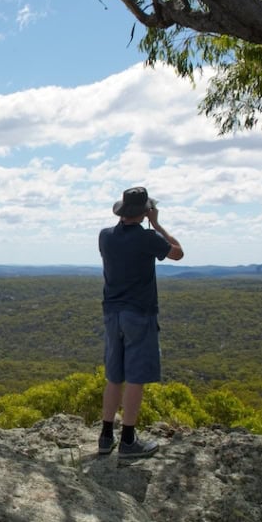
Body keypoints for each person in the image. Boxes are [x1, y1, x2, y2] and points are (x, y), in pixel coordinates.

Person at [97, 186, 184, 458]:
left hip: (112, 313)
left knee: (115, 375)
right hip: (139, 314)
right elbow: (178, 253)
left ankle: (105, 436)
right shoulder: (148, 238)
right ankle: (128, 441)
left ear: (122, 211)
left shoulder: (105, 236)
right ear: (145, 211)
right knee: (135, 377)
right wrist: (156, 223)